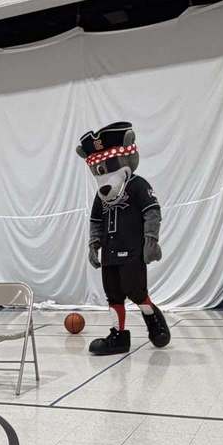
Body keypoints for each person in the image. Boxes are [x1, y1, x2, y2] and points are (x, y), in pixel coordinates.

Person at [76, 121, 171, 355]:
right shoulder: (101, 197)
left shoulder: (138, 185)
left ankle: (152, 317)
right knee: (113, 294)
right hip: (110, 252)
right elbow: (95, 221)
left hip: (131, 252)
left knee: (136, 291)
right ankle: (118, 335)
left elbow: (152, 212)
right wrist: (93, 245)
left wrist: (151, 239)